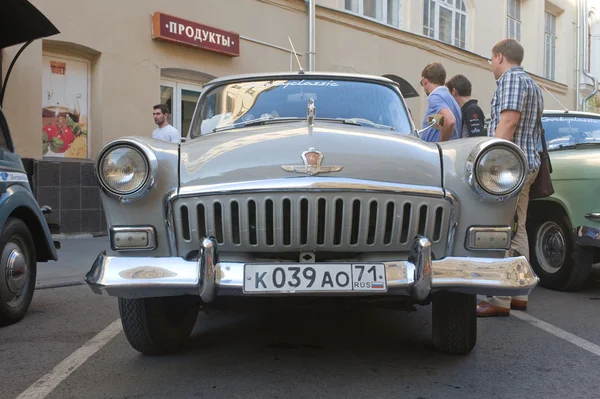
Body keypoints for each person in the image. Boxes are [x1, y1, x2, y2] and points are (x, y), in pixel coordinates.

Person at [476, 38, 544, 317]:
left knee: (501, 229)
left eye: (492, 59)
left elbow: (508, 122)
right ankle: (518, 295)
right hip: (525, 165)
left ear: (500, 57)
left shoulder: (511, 80)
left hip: (508, 169)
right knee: (518, 229)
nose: (491, 65)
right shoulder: (533, 84)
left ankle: (500, 299)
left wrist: (488, 161)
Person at [419, 62, 462, 142]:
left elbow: (450, 121)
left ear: (425, 81)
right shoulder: (452, 99)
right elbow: (443, 123)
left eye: (422, 83)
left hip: (437, 152)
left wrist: (441, 145)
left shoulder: (435, 96)